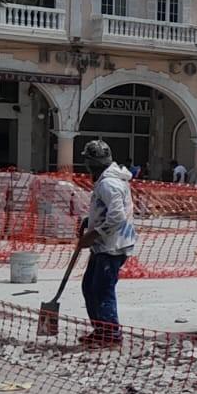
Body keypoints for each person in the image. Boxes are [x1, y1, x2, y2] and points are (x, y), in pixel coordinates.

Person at [77, 140, 137, 347]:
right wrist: (90, 220)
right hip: (107, 243)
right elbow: (109, 210)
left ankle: (111, 335)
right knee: (89, 287)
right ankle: (101, 330)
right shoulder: (109, 179)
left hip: (112, 245)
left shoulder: (108, 183)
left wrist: (94, 233)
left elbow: (117, 216)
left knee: (102, 290)